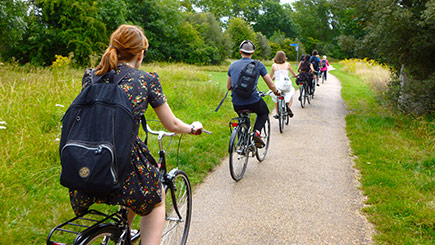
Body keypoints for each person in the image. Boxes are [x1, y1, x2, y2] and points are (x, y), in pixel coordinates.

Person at [69, 24, 203, 245]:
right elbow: (172, 124)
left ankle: (123, 233)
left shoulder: (90, 76)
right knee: (155, 199)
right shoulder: (146, 79)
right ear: (140, 53)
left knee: (133, 193)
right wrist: (193, 128)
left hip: (85, 161)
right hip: (125, 162)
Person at [227, 40, 280, 147]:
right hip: (253, 101)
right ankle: (256, 132)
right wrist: (276, 92)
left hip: (237, 103)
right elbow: (270, 84)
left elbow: (229, 87)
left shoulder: (232, 65)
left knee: (243, 117)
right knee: (263, 113)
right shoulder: (259, 65)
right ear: (252, 53)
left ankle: (243, 141)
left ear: (240, 51)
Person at [269, 51, 297, 118]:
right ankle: (288, 107)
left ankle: (277, 113)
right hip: (286, 84)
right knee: (290, 93)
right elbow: (293, 74)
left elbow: (270, 78)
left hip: (278, 85)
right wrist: (295, 75)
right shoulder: (287, 65)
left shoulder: (274, 66)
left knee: (276, 97)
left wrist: (273, 78)